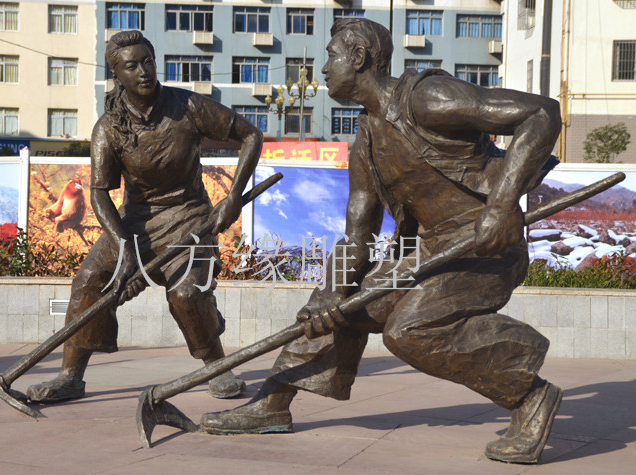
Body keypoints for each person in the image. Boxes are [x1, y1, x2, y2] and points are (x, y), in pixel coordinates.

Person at [200, 18, 562, 464]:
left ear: (358, 57)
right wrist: (328, 297)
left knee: (408, 332)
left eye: (331, 57)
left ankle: (530, 395)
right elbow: (357, 237)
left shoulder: (428, 97)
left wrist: (502, 205)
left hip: (484, 248)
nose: (324, 69)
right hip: (430, 251)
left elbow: (542, 113)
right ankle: (274, 402)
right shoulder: (367, 141)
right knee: (345, 303)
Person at [27, 30, 262, 402]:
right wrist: (125, 250)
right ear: (116, 75)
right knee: (89, 281)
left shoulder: (188, 107)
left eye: (148, 61)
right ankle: (70, 375)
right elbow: (99, 193)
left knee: (186, 293)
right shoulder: (108, 128)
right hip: (135, 222)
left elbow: (251, 135)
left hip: (190, 217)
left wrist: (232, 198)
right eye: (131, 66)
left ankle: (217, 366)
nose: (143, 71)